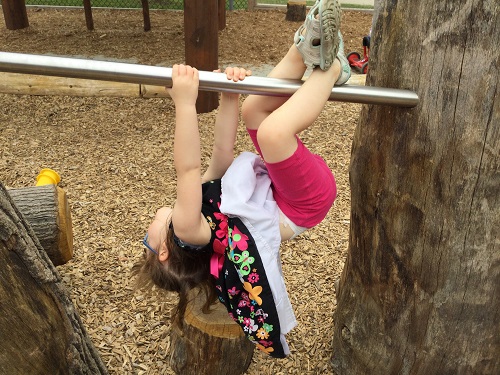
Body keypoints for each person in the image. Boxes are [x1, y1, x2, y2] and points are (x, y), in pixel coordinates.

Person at [133, 0, 350, 358]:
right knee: (273, 133)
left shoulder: (207, 216)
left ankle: (305, 46)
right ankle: (333, 66)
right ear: (163, 249)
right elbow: (186, 168)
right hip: (302, 202)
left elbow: (221, 155)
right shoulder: (187, 228)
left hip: (284, 191)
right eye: (146, 237)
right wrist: (185, 103)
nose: (148, 225)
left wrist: (230, 98)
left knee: (255, 108)